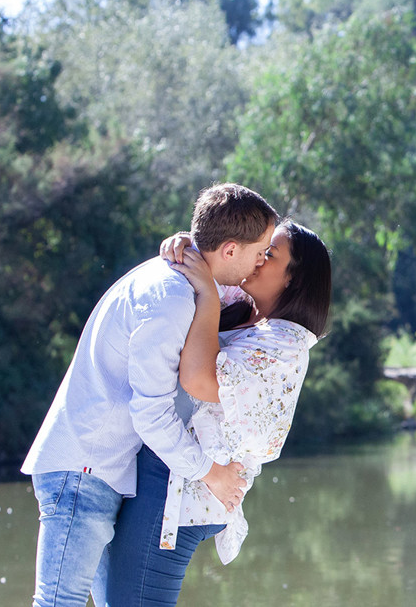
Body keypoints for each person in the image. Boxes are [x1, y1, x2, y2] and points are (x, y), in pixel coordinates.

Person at [21, 183, 279, 607]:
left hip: (100, 468)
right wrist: (210, 472)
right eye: (260, 250)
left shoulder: (184, 281)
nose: (261, 261)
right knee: (56, 602)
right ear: (230, 250)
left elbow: (246, 295)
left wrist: (190, 244)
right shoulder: (171, 298)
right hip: (83, 470)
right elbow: (151, 414)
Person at [103, 219, 332, 607]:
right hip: (171, 472)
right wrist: (187, 244)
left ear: (293, 279)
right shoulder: (242, 307)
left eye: (268, 254)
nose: (256, 258)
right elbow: (216, 256)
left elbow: (198, 380)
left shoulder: (285, 343)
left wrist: (208, 295)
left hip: (181, 489)